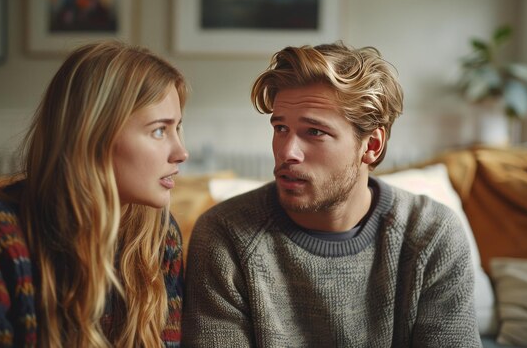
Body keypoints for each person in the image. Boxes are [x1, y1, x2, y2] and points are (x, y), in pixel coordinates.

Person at [182, 41, 481, 347]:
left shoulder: (431, 235)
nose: (287, 152)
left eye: (315, 132)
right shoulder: (225, 234)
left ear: (371, 146)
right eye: (281, 128)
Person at [0, 41, 188, 347]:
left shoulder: (160, 239)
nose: (181, 152)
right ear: (93, 134)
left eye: (178, 128)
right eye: (159, 131)